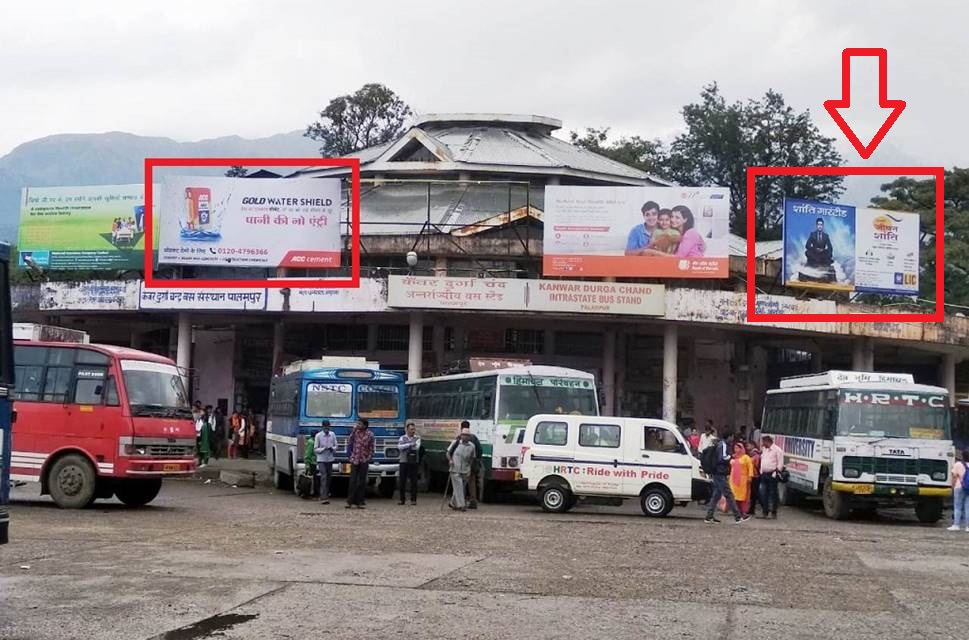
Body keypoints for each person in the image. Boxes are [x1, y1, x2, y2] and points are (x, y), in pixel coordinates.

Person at [701, 432, 749, 524]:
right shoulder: (723, 445)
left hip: (717, 472)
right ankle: (738, 516)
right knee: (729, 494)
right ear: (729, 437)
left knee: (716, 495)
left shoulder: (719, 444)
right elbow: (722, 458)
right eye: (731, 437)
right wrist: (731, 457)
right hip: (720, 473)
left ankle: (709, 516)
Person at [448, 420, 483, 509]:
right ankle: (463, 504)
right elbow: (480, 451)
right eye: (464, 435)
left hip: (467, 467)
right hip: (458, 467)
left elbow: (474, 455)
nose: (466, 437)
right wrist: (451, 460)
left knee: (461, 486)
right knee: (461, 485)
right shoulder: (458, 441)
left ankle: (453, 502)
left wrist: (471, 465)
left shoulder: (469, 444)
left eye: (467, 435)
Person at [346, 419, 374, 509]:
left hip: (363, 460)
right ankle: (350, 501)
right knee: (352, 481)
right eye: (357, 423)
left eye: (360, 424)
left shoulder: (370, 435)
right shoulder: (355, 433)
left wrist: (368, 458)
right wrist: (353, 430)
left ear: (365, 425)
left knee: (362, 481)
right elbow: (349, 441)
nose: (358, 425)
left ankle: (360, 501)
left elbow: (371, 447)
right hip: (355, 459)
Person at [759, 435, 785, 519]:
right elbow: (763, 460)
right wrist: (761, 470)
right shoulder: (764, 449)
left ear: (768, 441)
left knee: (773, 493)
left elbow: (780, 463)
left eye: (764, 442)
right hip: (764, 474)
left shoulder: (777, 450)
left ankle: (774, 511)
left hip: (772, 474)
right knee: (763, 493)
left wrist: (776, 472)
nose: (763, 444)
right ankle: (765, 511)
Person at [397, 422, 421, 505]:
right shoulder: (402, 438)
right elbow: (399, 447)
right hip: (403, 462)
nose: (413, 431)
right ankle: (402, 499)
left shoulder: (417, 438)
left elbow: (417, 447)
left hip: (414, 462)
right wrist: (410, 444)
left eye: (414, 429)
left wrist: (406, 445)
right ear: (407, 429)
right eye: (411, 429)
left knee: (414, 481)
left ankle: (413, 499)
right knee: (402, 481)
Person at [728, 442, 755, 515]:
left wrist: (750, 477)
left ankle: (742, 510)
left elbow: (750, 468)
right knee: (733, 494)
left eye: (737, 448)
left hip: (743, 479)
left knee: (742, 496)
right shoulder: (733, 457)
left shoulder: (746, 457)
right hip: (733, 478)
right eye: (735, 448)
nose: (736, 450)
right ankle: (735, 510)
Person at [314, 421, 337, 505]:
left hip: (330, 459)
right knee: (324, 476)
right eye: (325, 427)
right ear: (322, 427)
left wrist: (332, 448)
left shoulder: (332, 435)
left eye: (328, 427)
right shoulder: (318, 436)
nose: (327, 428)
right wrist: (322, 449)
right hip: (321, 459)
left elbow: (336, 446)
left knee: (329, 477)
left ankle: (326, 493)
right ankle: (323, 497)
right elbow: (315, 449)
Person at [947, 450, 969, 531]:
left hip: (959, 487)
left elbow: (954, 477)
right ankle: (968, 527)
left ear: (962, 456)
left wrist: (952, 486)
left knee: (958, 507)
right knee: (968, 507)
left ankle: (956, 525)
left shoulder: (958, 464)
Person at [747, 442, 762, 515]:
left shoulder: (755, 455)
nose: (747, 446)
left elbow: (756, 465)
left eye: (749, 445)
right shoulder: (752, 454)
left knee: (754, 493)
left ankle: (761, 506)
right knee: (753, 494)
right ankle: (751, 509)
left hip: (755, 476)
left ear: (753, 446)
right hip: (753, 475)